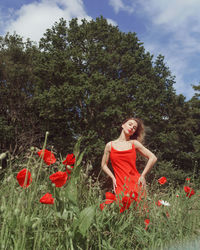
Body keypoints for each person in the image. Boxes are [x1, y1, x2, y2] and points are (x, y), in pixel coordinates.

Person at [101, 117, 157, 205]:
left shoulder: (134, 143)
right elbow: (103, 165)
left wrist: (142, 176)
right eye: (130, 124)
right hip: (120, 185)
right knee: (124, 214)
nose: (131, 128)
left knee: (140, 215)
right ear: (123, 125)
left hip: (136, 184)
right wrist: (113, 178)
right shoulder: (110, 145)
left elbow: (153, 158)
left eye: (134, 128)